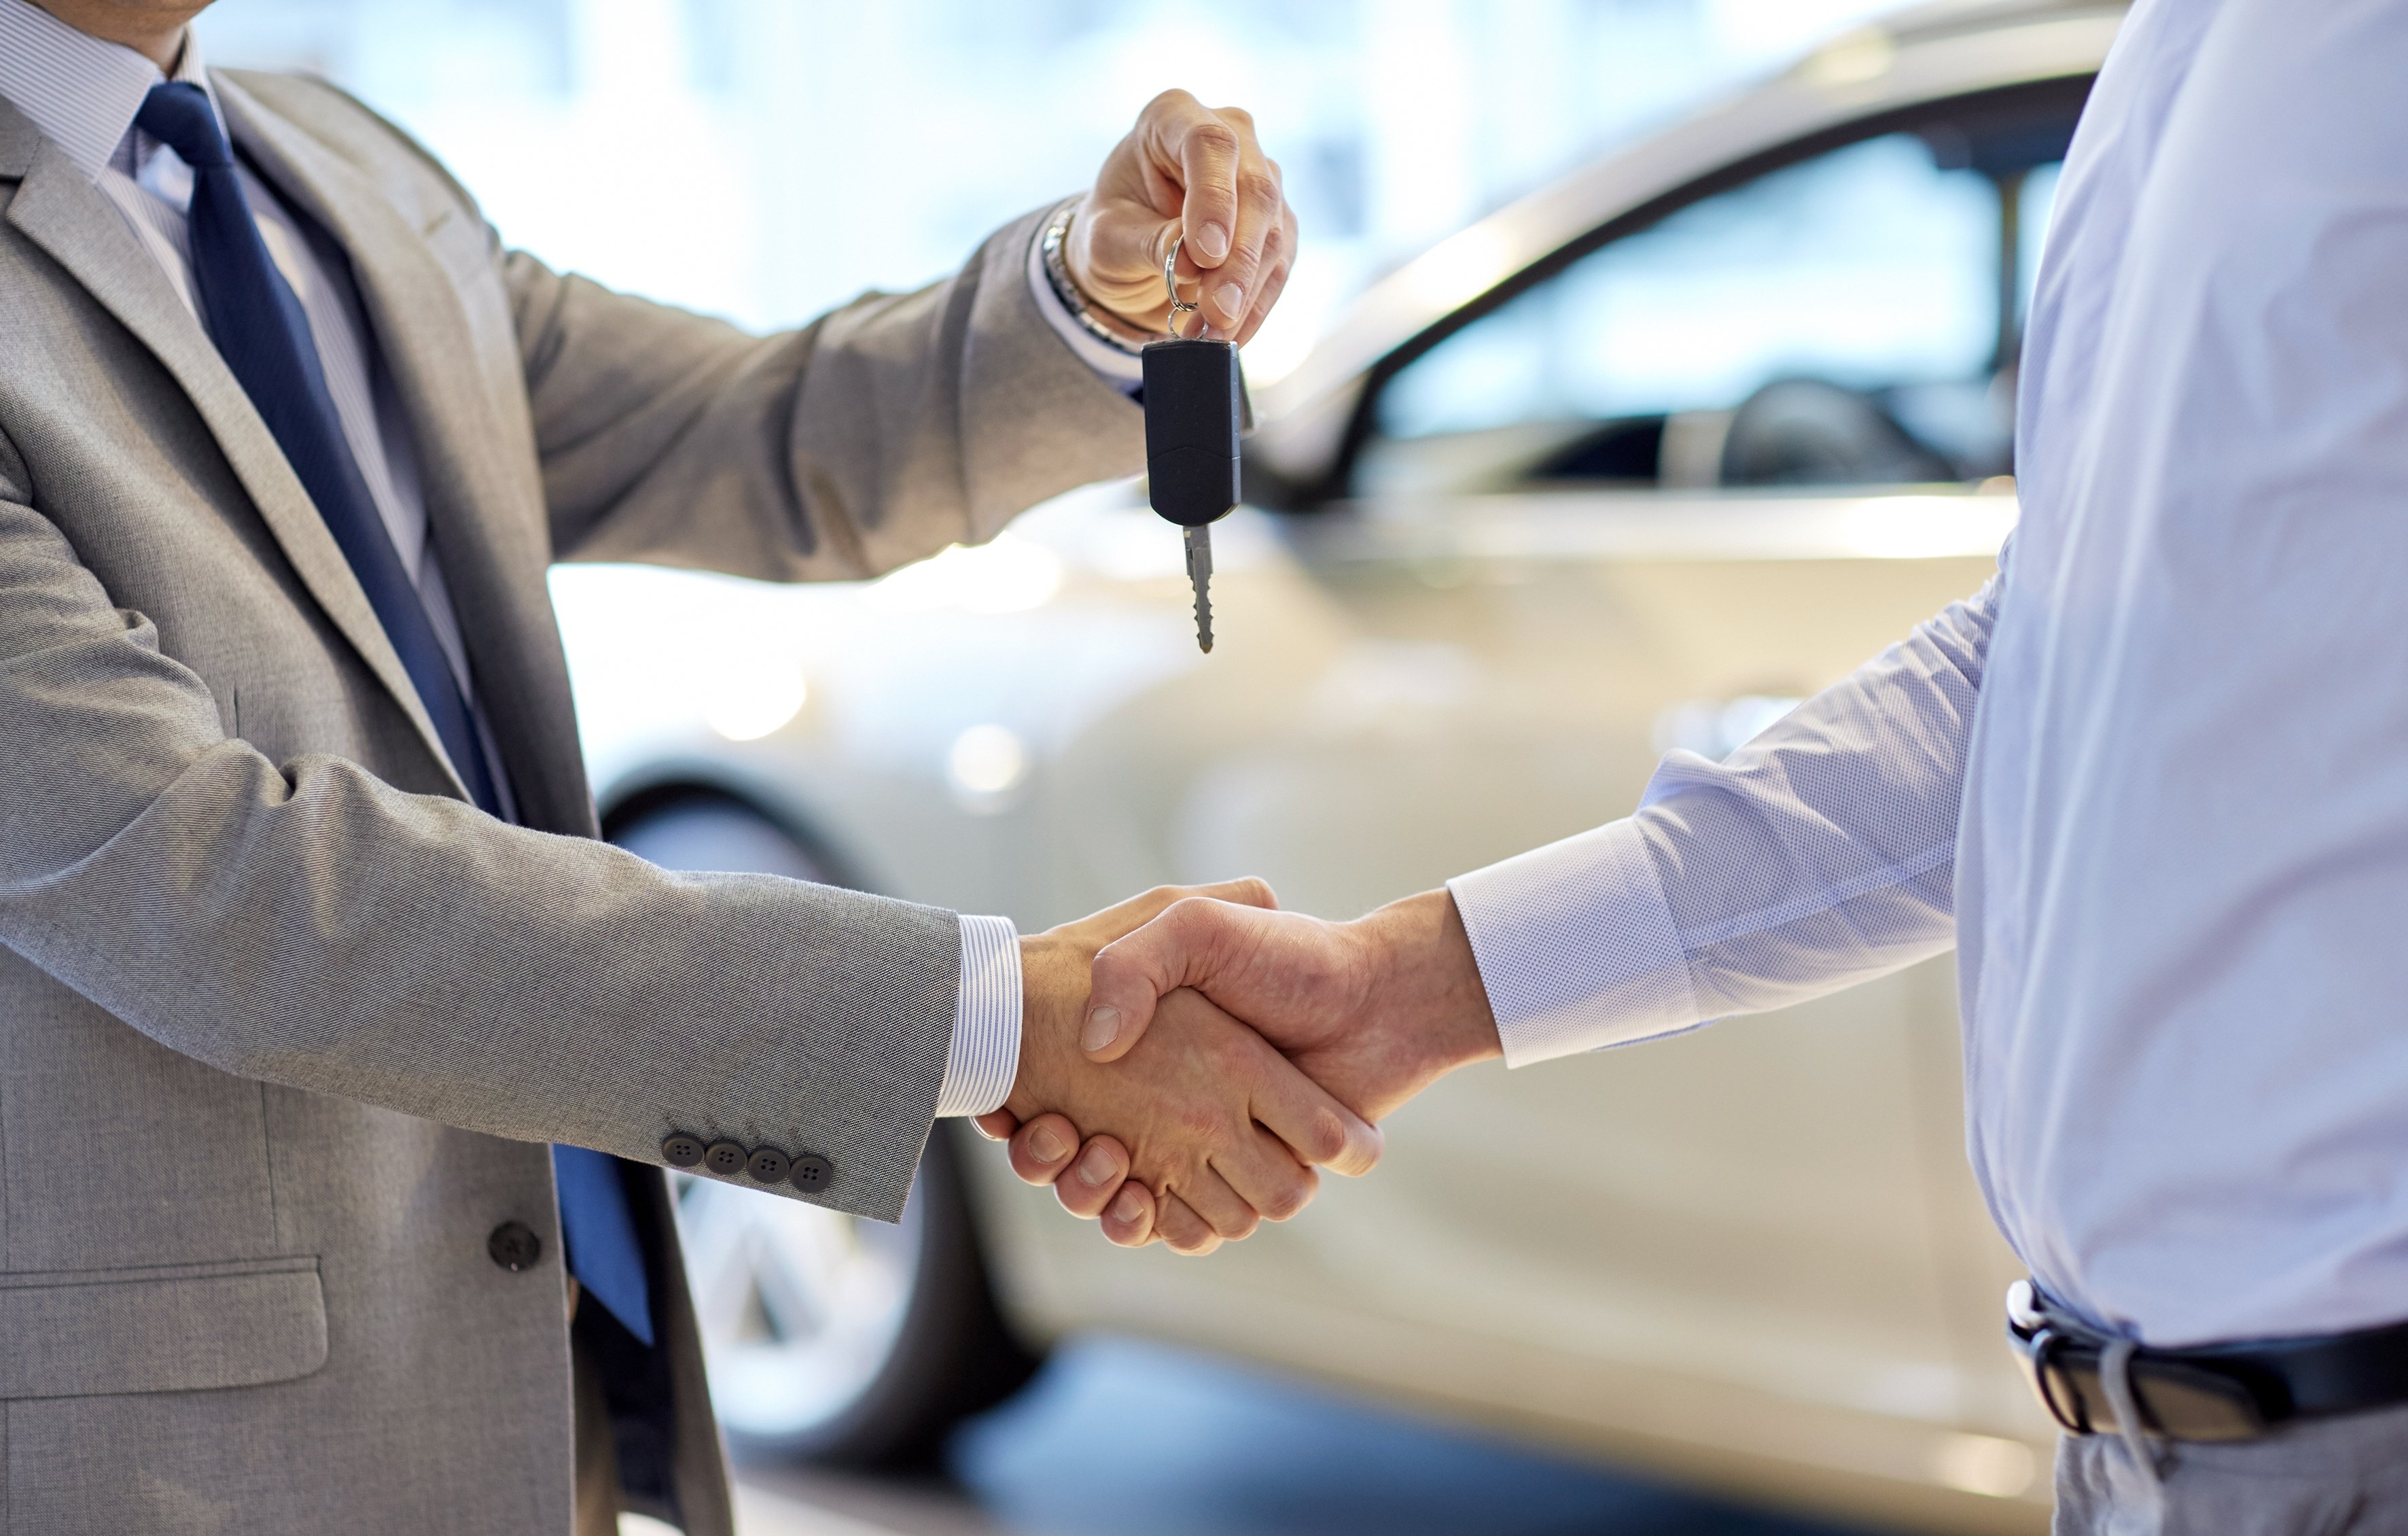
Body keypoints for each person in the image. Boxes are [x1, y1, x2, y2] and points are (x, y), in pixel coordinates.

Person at [996, 0, 2408, 1527]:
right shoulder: (2181, 50)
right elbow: (2056, 669)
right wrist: (1403, 987)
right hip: (2151, 1443)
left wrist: (979, 1027)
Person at [0, 0, 1379, 1531]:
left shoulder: (334, 163)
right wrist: (991, 1016)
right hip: (183, 1462)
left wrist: (1081, 294)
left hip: (534, 1372)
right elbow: (227, 890)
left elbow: (755, 431)